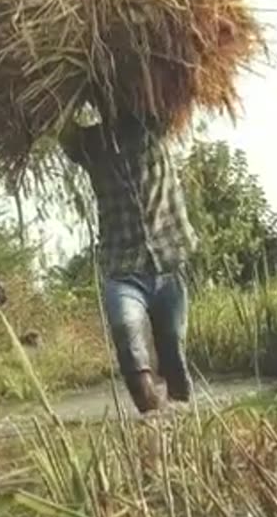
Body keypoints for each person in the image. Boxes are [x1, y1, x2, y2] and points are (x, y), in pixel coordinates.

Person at [59, 113, 198, 415]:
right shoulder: (89, 144)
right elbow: (57, 120)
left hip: (167, 263)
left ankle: (183, 426)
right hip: (123, 270)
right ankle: (152, 425)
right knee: (129, 344)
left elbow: (170, 90)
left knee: (173, 355)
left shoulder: (154, 122)